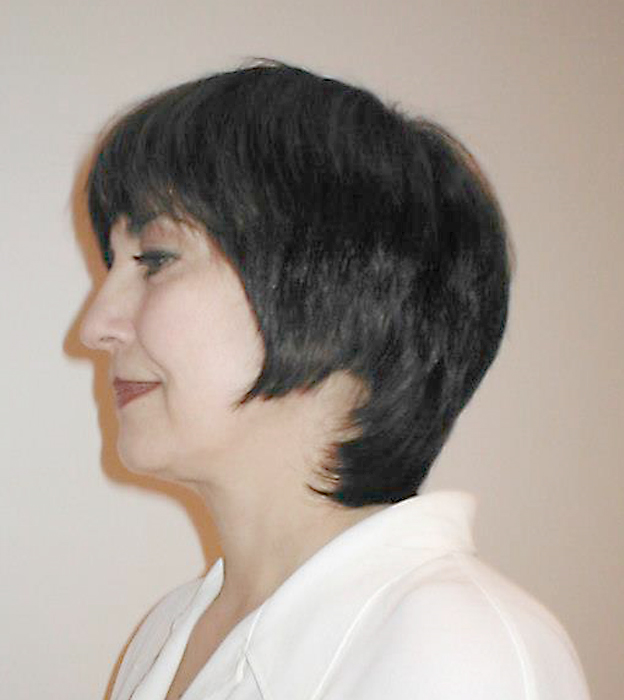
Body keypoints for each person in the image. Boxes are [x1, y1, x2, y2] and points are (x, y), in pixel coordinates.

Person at [80, 62, 590, 700]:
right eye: (113, 264)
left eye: (155, 259)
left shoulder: (458, 651)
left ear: (333, 293)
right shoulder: (168, 632)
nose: (96, 326)